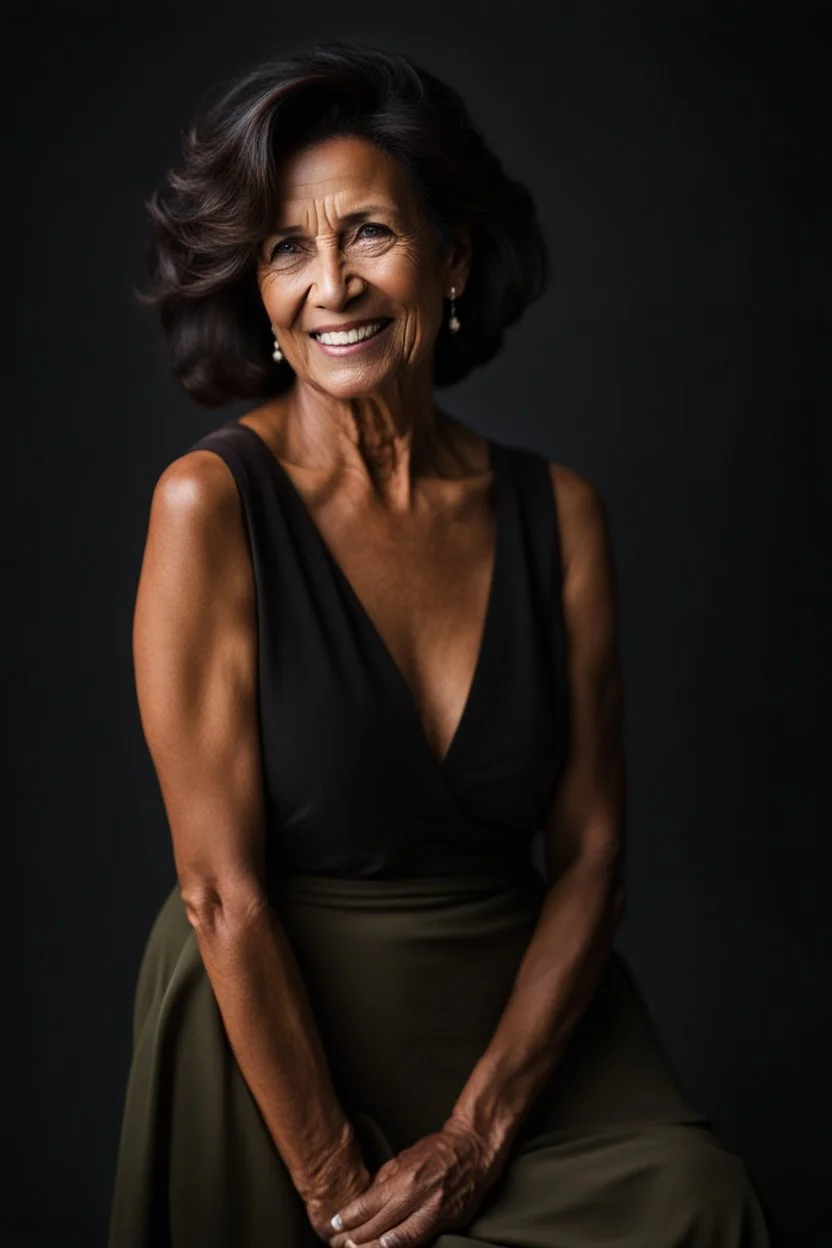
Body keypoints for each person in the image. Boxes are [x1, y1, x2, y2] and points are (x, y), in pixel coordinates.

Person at [108, 41, 773, 1248]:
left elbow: (591, 853)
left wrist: (475, 1139)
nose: (331, 286)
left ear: (451, 257)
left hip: (514, 1038)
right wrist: (330, 1187)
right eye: (286, 249)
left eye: (367, 233)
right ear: (258, 293)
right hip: (277, 1025)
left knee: (701, 1202)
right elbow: (218, 891)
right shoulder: (209, 509)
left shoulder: (557, 514)